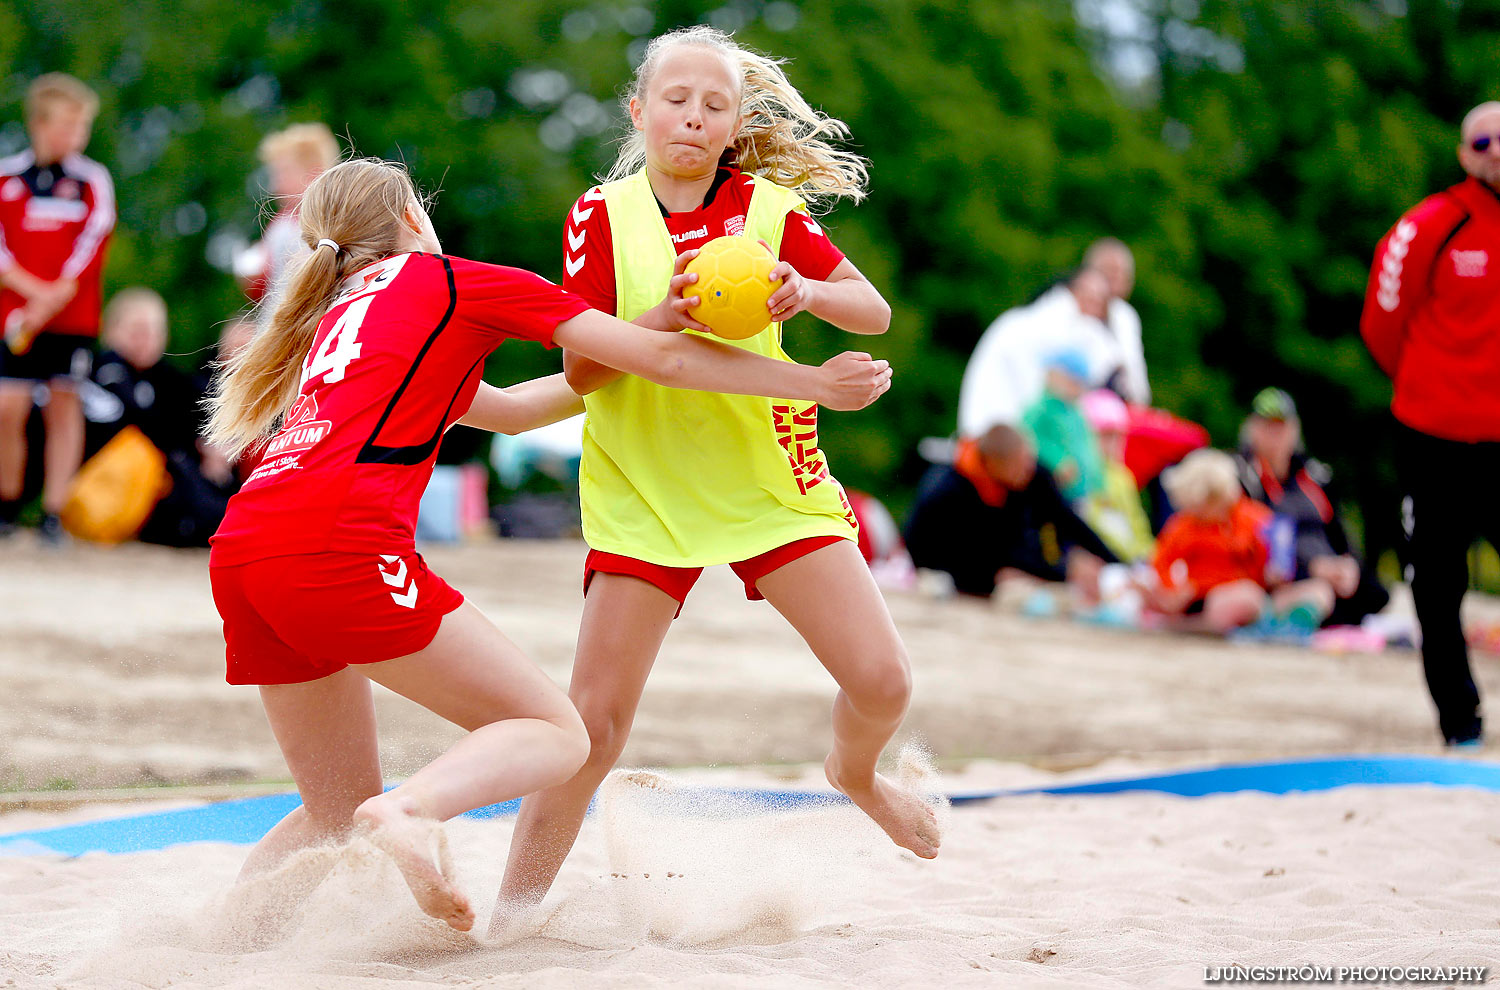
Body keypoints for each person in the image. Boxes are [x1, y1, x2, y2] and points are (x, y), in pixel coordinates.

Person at [204, 157, 891, 932]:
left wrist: (653, 320)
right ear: (410, 221)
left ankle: (221, 942)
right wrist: (814, 385)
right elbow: (661, 366)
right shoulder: (456, 281)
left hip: (245, 546)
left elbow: (515, 410)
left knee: (330, 813)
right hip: (338, 541)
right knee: (558, 734)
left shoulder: (340, 312)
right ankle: (412, 811)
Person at [494, 26, 937, 931]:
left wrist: (805, 293)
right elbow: (583, 375)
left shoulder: (768, 210)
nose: (693, 117)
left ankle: (853, 775)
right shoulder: (599, 214)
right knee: (593, 730)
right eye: (675, 99)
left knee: (885, 683)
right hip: (644, 490)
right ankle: (508, 917)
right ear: (639, 110)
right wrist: (660, 316)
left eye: (714, 105)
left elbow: (874, 310)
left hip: (769, 480)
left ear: (735, 124)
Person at [1360, 101, 1500, 747]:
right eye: (1483, 139)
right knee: (1437, 587)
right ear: (1464, 152)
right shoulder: (1433, 223)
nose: (1497, 148)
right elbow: (1382, 319)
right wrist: (1427, 390)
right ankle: (1461, 724)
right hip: (1436, 435)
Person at [0, 73, 114, 541]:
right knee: (9, 406)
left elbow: (94, 239)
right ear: (39, 124)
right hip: (16, 316)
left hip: (72, 317)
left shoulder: (92, 180)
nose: (75, 136)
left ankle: (54, 511)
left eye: (81, 126)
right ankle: (7, 504)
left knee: (64, 406)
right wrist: (32, 294)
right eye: (67, 125)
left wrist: (56, 295)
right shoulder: (6, 176)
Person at [86, 288, 237, 547]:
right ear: (112, 332)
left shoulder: (168, 377)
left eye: (154, 331)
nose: (145, 339)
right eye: (137, 330)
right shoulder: (106, 371)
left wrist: (209, 447)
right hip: (109, 483)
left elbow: (196, 412)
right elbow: (147, 423)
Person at [904, 423, 1116, 599]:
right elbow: (924, 545)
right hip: (958, 570)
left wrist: (1113, 562)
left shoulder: (1031, 474)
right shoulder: (948, 492)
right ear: (994, 464)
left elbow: (1067, 520)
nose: (1030, 468)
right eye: (1021, 463)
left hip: (1011, 565)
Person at [1234, 387, 1389, 627]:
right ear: (1252, 428)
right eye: (1267, 425)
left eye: (1282, 425)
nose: (1276, 433)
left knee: (1375, 592)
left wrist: (1349, 565)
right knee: (1318, 593)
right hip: (1282, 574)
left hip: (1329, 569)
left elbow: (1339, 533)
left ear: (1295, 430)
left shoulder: (1315, 477)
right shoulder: (1243, 477)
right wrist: (1312, 568)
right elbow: (1250, 539)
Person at [1151, 449, 1334, 635]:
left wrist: (1277, 571)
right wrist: (1172, 590)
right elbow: (1161, 562)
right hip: (1210, 599)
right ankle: (1195, 626)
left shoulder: (1255, 518)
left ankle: (1283, 628)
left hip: (1262, 598)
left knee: (1320, 592)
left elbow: (1279, 558)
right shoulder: (1185, 525)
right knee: (1242, 600)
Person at [957, 267, 1119, 436]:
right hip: (1003, 430)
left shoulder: (1030, 320)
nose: (1093, 306)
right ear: (1073, 290)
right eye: (1090, 296)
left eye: (1100, 301)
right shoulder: (1054, 328)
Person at [234, 123, 340, 305]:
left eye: (283, 173)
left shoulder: (336, 221)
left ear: (314, 171)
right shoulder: (280, 225)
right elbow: (258, 285)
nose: (275, 185)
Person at [1079, 389, 1154, 564]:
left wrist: (1148, 555)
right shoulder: (1080, 476)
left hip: (1134, 559)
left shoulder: (1122, 476)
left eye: (1117, 436)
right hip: (1100, 559)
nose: (1113, 443)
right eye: (1105, 436)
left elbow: (1137, 524)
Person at [1021, 349, 1105, 502]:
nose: (1077, 389)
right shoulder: (1041, 409)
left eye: (1081, 384)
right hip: (1054, 490)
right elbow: (1027, 437)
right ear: (1053, 376)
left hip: (1082, 493)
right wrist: (1057, 459)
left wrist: (1099, 482)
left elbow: (1088, 448)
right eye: (1072, 382)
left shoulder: (1076, 413)